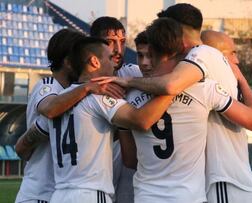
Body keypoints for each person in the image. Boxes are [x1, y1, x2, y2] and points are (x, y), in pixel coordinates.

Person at [101, 17, 252, 203]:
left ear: (152, 52)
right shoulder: (205, 89)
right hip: (189, 197)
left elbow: (130, 161)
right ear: (182, 50)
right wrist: (242, 80)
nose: (144, 62)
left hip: (147, 196)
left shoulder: (129, 97)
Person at [17, 37, 174, 203]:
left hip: (59, 194)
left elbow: (22, 146)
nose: (114, 65)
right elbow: (142, 119)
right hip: (90, 193)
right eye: (108, 58)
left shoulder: (61, 100)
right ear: (94, 61)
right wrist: (172, 88)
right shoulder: (98, 97)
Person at [15, 29, 121, 203]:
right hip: (40, 192)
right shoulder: (48, 86)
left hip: (60, 193)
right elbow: (50, 110)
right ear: (68, 62)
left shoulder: (78, 95)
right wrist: (87, 87)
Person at [201, 30, 252, 203]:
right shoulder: (213, 83)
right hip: (225, 181)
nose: (237, 60)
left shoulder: (226, 85)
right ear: (215, 55)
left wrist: (241, 80)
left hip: (229, 183)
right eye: (232, 53)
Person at [90, 16, 140, 203]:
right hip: (96, 168)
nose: (119, 50)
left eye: (122, 42)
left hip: (130, 166)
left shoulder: (133, 73)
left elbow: (163, 81)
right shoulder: (81, 84)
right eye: (110, 42)